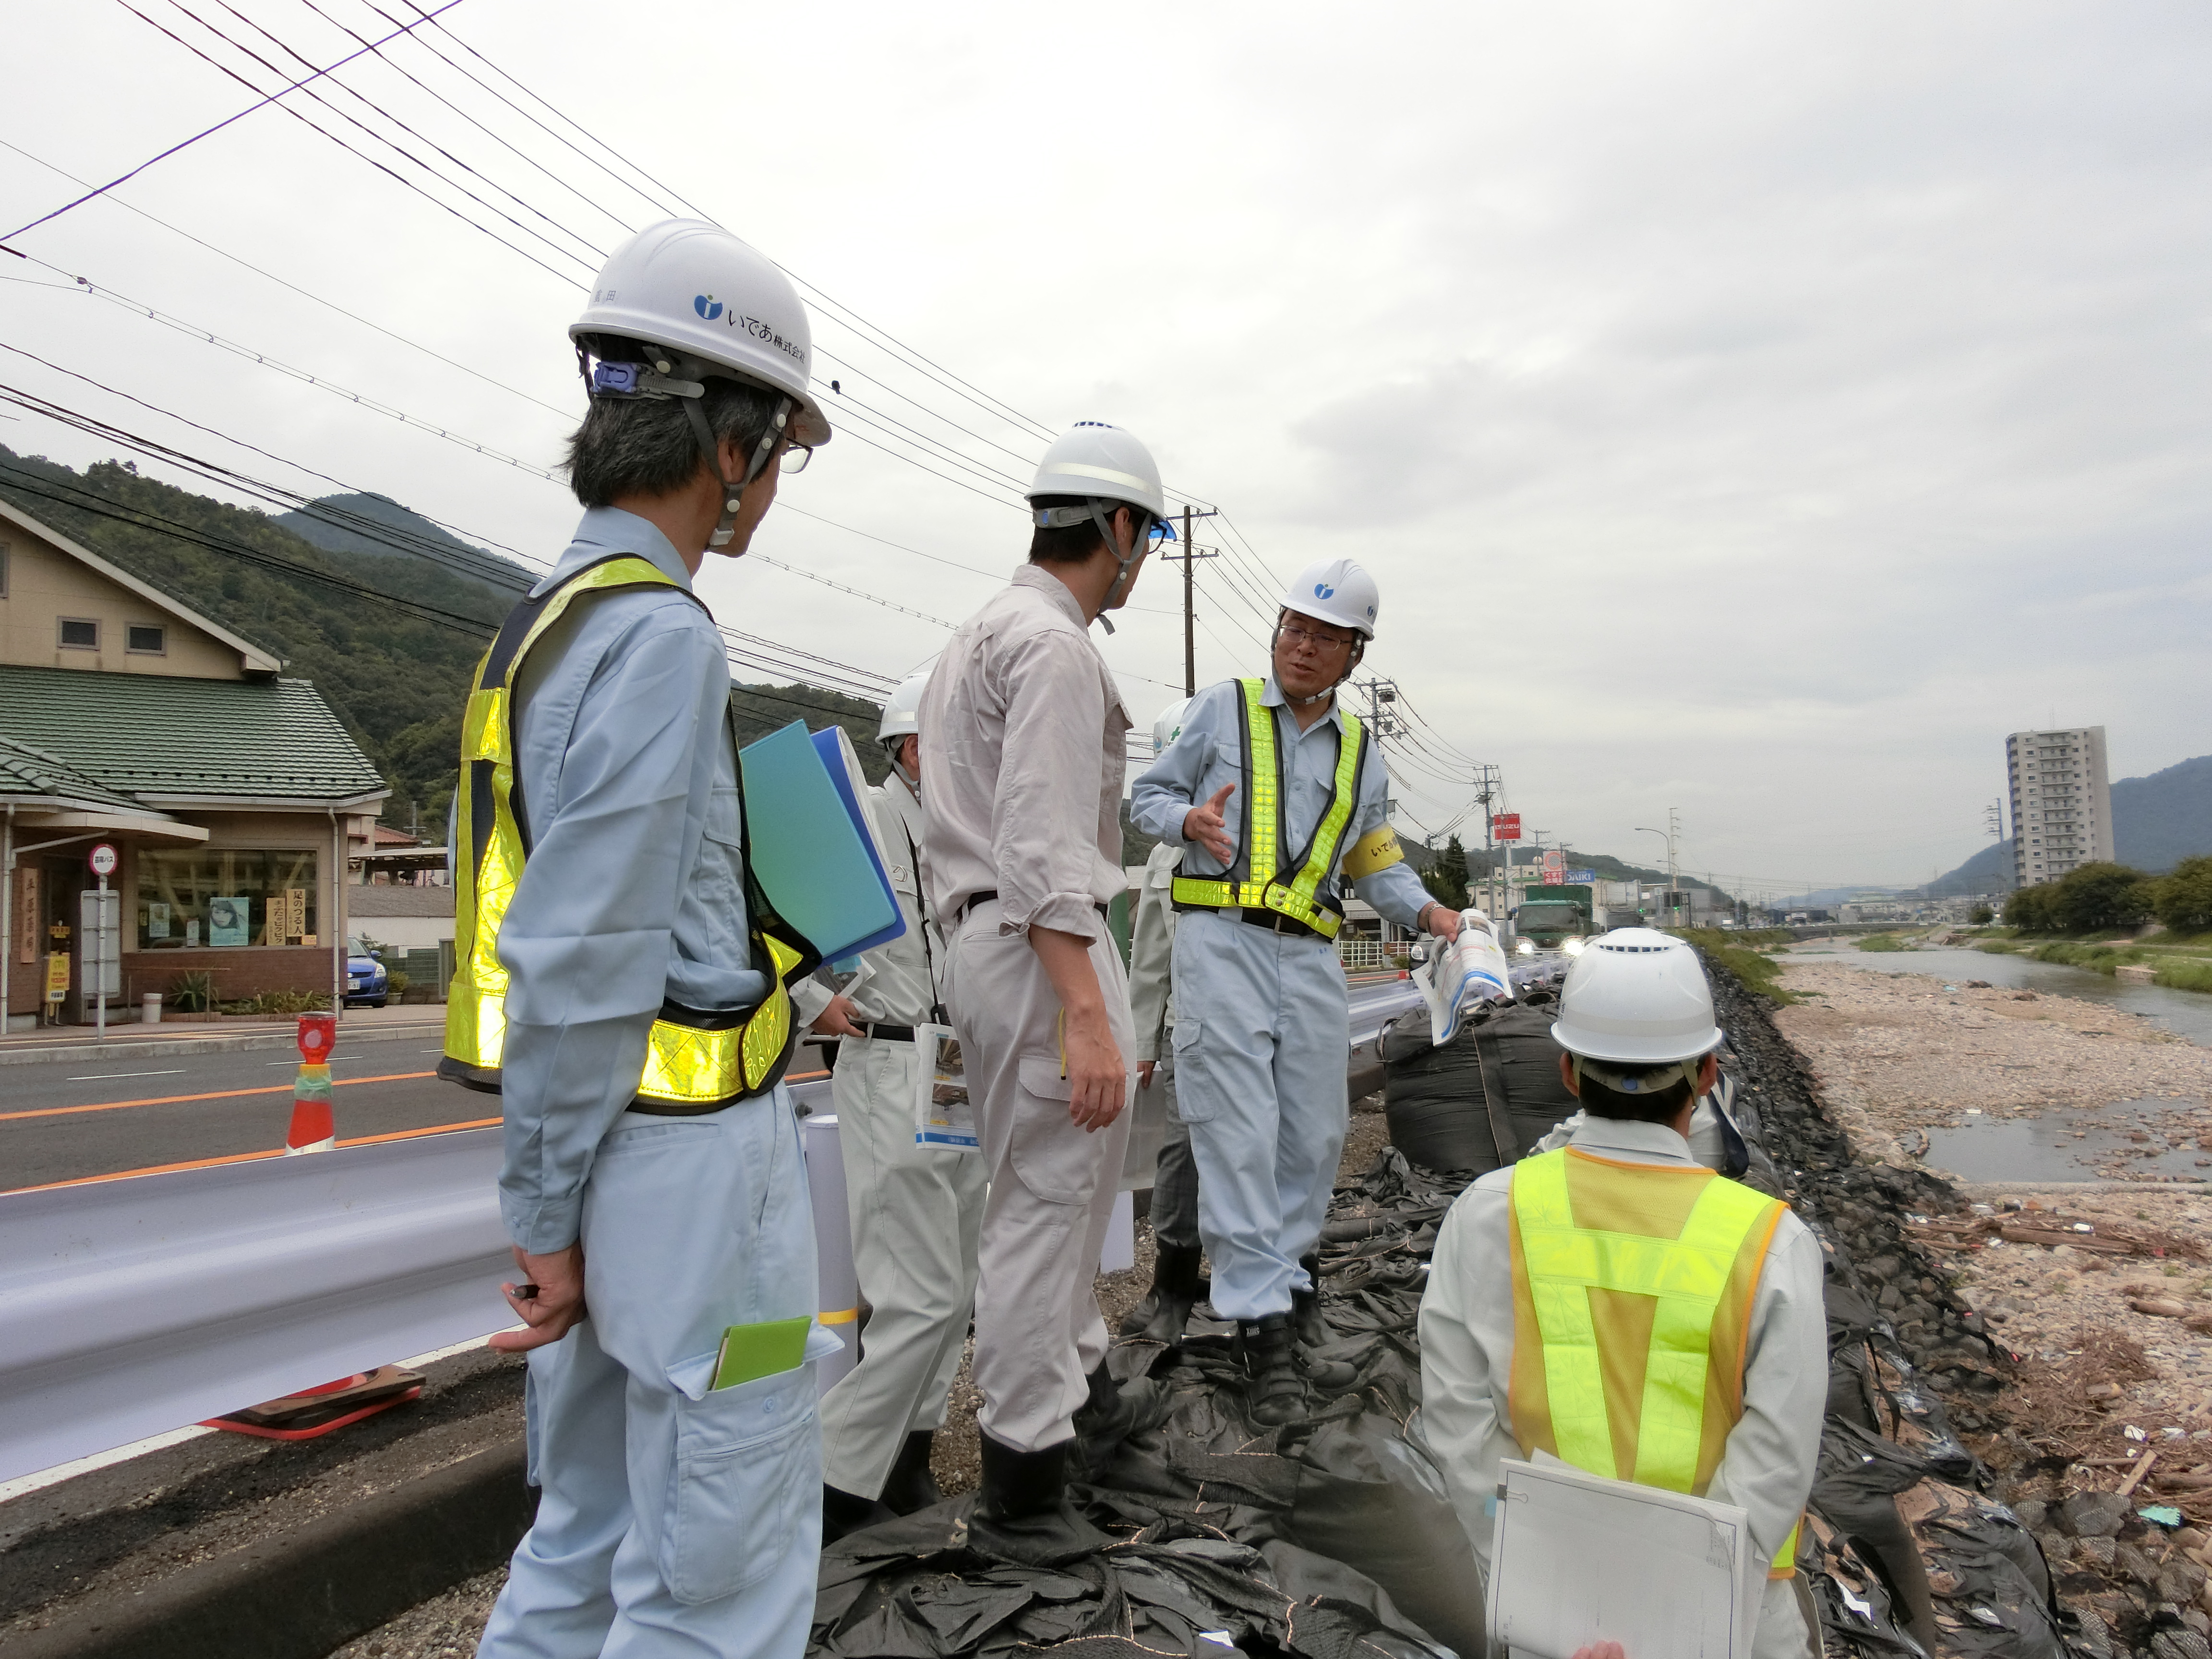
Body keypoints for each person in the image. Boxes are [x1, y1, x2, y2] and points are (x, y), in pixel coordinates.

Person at [445, 218, 835, 1659]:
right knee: (713, 1576)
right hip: (689, 1181)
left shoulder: (543, 622)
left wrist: (547, 1207)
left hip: (602, 1156)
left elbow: (587, 937)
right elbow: (590, 949)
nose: (774, 486)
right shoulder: (662, 635)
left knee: (584, 1539)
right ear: (728, 448)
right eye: (780, 451)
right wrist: (545, 1222)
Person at [1417, 930, 1826, 1659]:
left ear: (1568, 1071)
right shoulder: (1770, 1240)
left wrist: (1548, 1582)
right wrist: (1677, 1611)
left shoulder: (1489, 1212)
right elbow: (1779, 1458)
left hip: (1552, 1613)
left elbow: (1458, 1424)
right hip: (1731, 1624)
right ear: (1706, 1075)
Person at [1128, 558, 1464, 1423]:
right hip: (1221, 942)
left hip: (1309, 952)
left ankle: (1283, 1288)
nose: (1302, 648)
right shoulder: (1222, 708)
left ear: (1355, 654)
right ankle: (1263, 1332)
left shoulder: (1360, 751)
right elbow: (1147, 794)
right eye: (1293, 630)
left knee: (1313, 1136)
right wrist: (1187, 821)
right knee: (1235, 1138)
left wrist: (1432, 913)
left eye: (1323, 637)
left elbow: (1372, 856)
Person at [917, 420, 1163, 1533]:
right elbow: (1041, 846)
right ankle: (1026, 1481)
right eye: (1146, 537)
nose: (1144, 559)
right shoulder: (1056, 647)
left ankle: (1076, 1418)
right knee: (1045, 1211)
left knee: (1054, 1207)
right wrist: (1086, 1014)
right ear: (1118, 528)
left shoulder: (978, 633)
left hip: (990, 943)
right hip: (1037, 947)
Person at [815, 670, 987, 1539]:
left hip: (956, 1058)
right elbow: (770, 910)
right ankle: (832, 1491)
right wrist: (811, 996)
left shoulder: (965, 832)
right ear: (912, 748)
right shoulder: (861, 818)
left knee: (954, 1286)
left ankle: (906, 1459)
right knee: (915, 1291)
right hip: (887, 1053)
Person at [1122, 699, 1204, 1344]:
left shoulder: (1255, 842)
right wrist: (1142, 1042)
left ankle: (1254, 1277)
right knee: (1182, 1153)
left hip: (1254, 1028)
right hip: (1187, 1030)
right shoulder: (1160, 859)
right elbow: (1148, 958)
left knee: (1263, 1150)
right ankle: (1173, 1277)